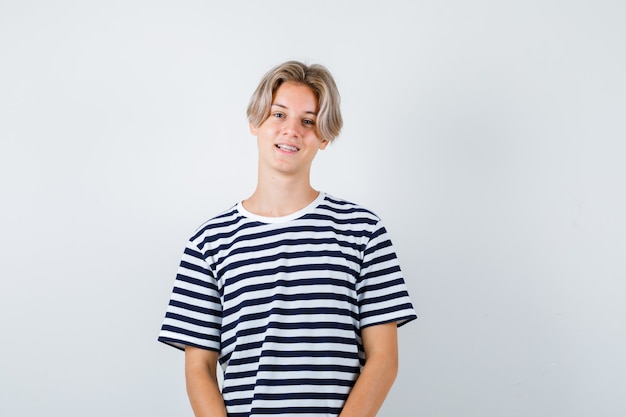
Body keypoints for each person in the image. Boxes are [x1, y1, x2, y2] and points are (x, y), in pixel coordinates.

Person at [158, 60, 417, 417]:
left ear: (324, 136)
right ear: (255, 122)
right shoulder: (208, 242)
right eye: (278, 115)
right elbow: (198, 368)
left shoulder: (362, 231)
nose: (291, 130)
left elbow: (384, 359)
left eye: (308, 121)